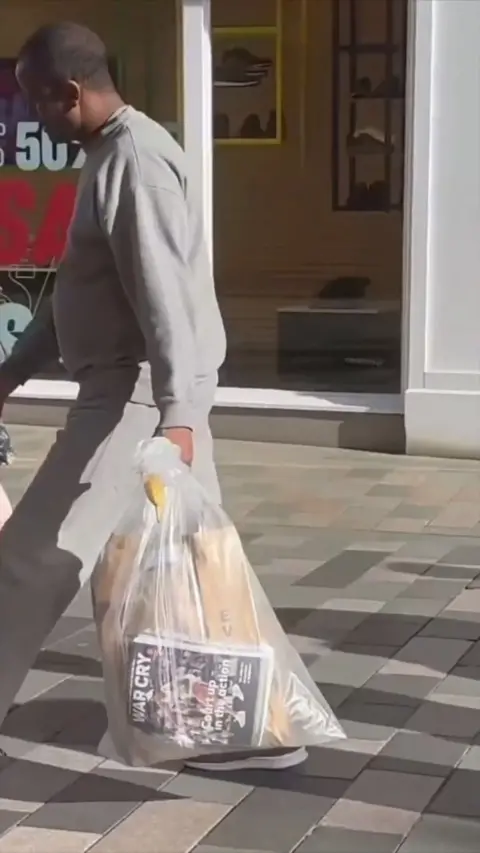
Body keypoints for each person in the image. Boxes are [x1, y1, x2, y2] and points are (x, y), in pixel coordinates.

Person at [0, 22, 307, 772]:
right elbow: (75, 295)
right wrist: (8, 373)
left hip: (135, 398)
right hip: (145, 394)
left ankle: (237, 729)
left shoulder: (135, 161)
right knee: (193, 569)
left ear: (68, 93)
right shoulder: (108, 155)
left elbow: (169, 296)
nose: (29, 117)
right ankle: (241, 730)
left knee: (30, 557)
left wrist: (177, 418)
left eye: (34, 101)